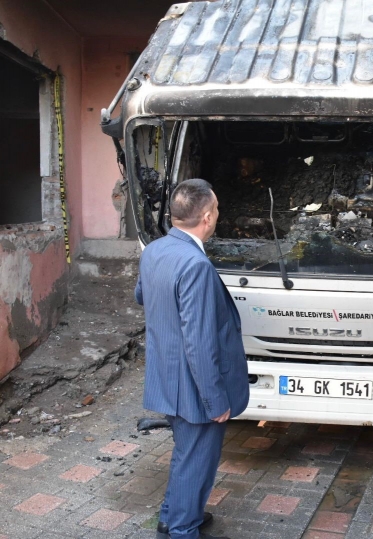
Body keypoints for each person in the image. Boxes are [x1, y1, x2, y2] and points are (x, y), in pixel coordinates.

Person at [135, 179, 249, 539]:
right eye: (215, 209)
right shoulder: (196, 265)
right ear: (206, 216)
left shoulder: (154, 250)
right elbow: (199, 343)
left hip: (167, 376)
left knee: (187, 453)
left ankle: (174, 515)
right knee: (198, 461)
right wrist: (215, 399)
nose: (216, 215)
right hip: (195, 387)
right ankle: (183, 529)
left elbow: (143, 296)